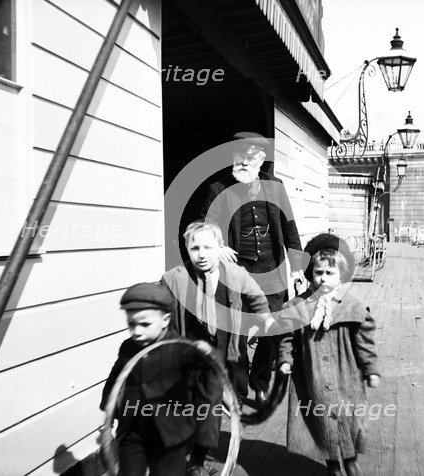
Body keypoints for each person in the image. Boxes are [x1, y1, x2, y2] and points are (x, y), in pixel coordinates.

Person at [162, 220, 276, 475]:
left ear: (220, 248)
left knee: (210, 403)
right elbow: (158, 306)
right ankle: (180, 451)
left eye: (208, 248)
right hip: (186, 352)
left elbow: (257, 297)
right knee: (184, 403)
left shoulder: (235, 274)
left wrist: (265, 319)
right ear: (187, 250)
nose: (201, 255)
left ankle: (198, 459)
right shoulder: (176, 278)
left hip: (222, 353)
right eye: (195, 248)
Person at [201, 131, 304, 403]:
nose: (244, 162)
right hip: (238, 273)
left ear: (260, 159)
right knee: (238, 332)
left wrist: (297, 267)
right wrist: (216, 244)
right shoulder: (219, 189)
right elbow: (205, 226)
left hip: (272, 271)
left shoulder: (275, 187)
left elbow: (289, 228)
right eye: (239, 156)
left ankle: (260, 382)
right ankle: (238, 388)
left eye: (250, 157)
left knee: (272, 330)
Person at [278, 233, 380, 476]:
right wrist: (285, 359)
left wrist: (370, 369)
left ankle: (351, 460)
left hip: (346, 376)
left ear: (341, 275)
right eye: (318, 272)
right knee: (322, 422)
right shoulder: (298, 306)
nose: (323, 278)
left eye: (330, 273)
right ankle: (332, 465)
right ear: (310, 274)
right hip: (312, 376)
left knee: (349, 420)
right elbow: (287, 338)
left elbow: (365, 343)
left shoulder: (352, 307)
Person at [100, 281, 219, 476]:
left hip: (170, 434)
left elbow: (204, 364)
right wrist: (109, 410)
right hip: (133, 431)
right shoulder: (127, 348)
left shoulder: (181, 348)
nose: (137, 331)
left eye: (145, 324)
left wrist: (205, 352)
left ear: (165, 320)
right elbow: (116, 379)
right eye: (132, 324)